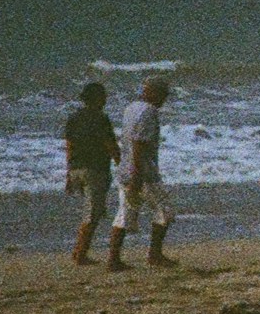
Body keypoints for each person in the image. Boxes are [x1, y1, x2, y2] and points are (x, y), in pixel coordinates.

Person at [108, 74, 178, 267]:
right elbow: (139, 144)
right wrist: (138, 176)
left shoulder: (131, 108)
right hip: (143, 172)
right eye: (163, 94)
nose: (164, 99)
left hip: (125, 168)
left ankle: (113, 259)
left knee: (124, 213)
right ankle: (154, 255)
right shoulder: (149, 112)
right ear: (153, 93)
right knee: (165, 211)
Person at [63, 81, 119, 265]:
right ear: (97, 98)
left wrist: (68, 174)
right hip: (95, 169)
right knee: (92, 214)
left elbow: (69, 146)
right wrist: (122, 163)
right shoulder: (100, 118)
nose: (105, 99)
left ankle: (78, 251)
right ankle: (80, 253)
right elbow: (109, 144)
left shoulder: (74, 118)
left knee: (91, 212)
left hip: (76, 168)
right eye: (103, 96)